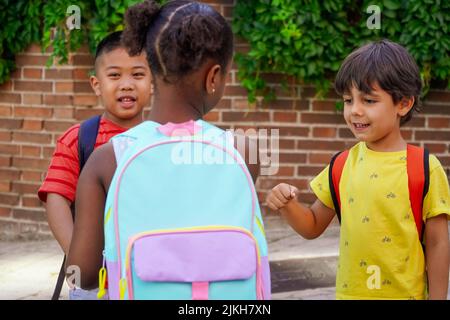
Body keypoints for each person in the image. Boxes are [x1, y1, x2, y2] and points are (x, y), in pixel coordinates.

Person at [66, 0, 261, 295]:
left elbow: (83, 276)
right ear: (214, 77)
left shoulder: (107, 159)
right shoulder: (245, 151)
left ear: (152, 68)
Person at [266, 40, 450, 300]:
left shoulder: (424, 167)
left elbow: (438, 242)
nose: (355, 111)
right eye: (348, 100)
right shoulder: (341, 165)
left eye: (369, 100)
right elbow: (312, 226)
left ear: (403, 104)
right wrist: (288, 204)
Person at [38, 30, 152, 299]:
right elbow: (56, 199)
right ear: (96, 83)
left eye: (137, 75)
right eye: (114, 75)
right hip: (97, 280)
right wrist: (79, 260)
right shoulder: (80, 139)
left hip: (152, 272)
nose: (126, 84)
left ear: (154, 82)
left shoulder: (163, 139)